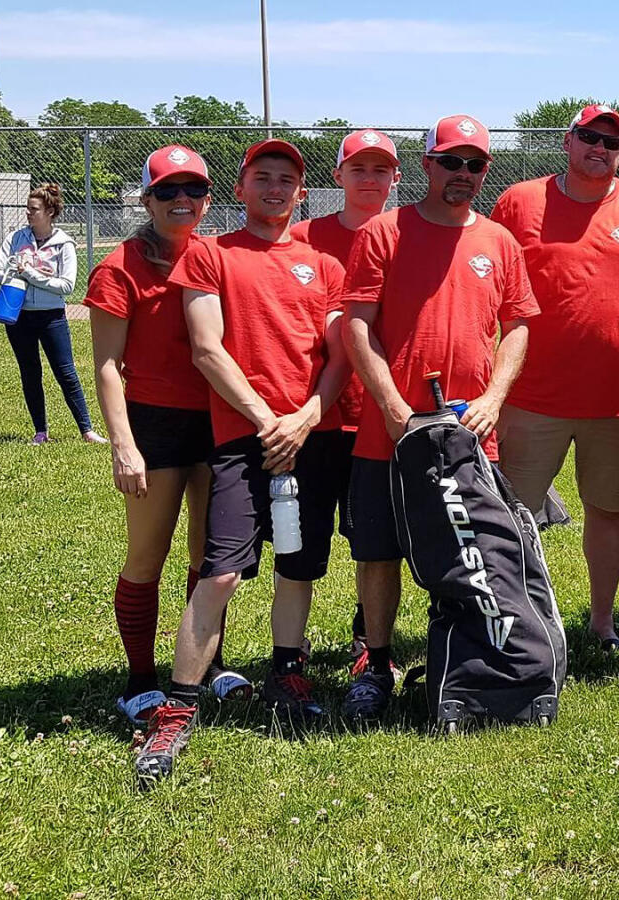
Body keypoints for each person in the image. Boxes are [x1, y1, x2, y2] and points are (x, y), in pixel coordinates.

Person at [133, 138, 350, 784]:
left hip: (311, 437)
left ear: (303, 193)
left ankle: (287, 673)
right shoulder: (210, 255)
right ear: (241, 189)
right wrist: (266, 422)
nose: (276, 188)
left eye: (287, 179)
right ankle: (176, 708)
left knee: (299, 567)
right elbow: (207, 348)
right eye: (263, 178)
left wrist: (306, 418)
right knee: (220, 574)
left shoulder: (323, 264)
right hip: (244, 440)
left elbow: (339, 356)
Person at [340, 114, 538, 721]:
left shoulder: (499, 241)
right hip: (390, 434)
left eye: (474, 163)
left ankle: (452, 661)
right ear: (426, 165)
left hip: (469, 438)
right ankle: (375, 663)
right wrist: (393, 406)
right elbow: (356, 325)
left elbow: (519, 324)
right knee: (378, 553)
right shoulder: (385, 232)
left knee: (465, 552)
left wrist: (494, 398)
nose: (462, 173)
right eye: (450, 161)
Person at [492, 105, 619, 659]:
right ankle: (514, 622)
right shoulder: (519, 201)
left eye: (611, 142)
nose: (600, 148)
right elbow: (492, 282)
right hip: (530, 397)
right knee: (510, 515)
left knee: (608, 509)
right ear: (568, 141)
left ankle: (601, 620)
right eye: (589, 137)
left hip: (616, 398)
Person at [86, 145, 250, 723]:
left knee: (212, 556)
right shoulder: (119, 265)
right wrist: (123, 444)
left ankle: (208, 662)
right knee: (146, 555)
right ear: (147, 198)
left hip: (217, 419)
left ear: (209, 197)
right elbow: (107, 365)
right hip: (155, 423)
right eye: (168, 191)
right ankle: (139, 678)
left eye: (194, 190)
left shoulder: (217, 256)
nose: (183, 201)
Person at [290, 128, 402, 673]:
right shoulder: (306, 236)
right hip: (318, 414)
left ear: (396, 178)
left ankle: (367, 636)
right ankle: (294, 638)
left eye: (380, 169)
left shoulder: (410, 233)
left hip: (380, 417)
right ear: (338, 176)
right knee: (304, 535)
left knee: (373, 537)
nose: (369, 178)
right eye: (358, 168)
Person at [0, 184, 106, 445]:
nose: (28, 214)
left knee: (66, 372)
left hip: (52, 317)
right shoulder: (16, 239)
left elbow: (67, 285)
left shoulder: (64, 244)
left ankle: (87, 430)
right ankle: (40, 432)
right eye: (27, 209)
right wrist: (12, 269)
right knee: (30, 371)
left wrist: (31, 274)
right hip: (18, 316)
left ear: (50, 211)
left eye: (34, 209)